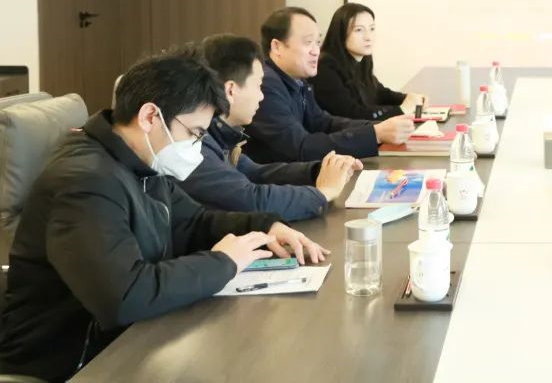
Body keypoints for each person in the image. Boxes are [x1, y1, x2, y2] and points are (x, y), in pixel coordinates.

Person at [0, 52, 328, 382]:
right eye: (194, 133)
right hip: (72, 365)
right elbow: (124, 296)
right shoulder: (85, 181)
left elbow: (193, 222)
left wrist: (265, 226)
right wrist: (223, 262)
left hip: (130, 342)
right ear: (149, 117)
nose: (197, 146)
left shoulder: (141, 162)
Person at [178, 34, 361, 221]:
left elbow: (256, 173)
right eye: (259, 86)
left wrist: (318, 171)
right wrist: (323, 193)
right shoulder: (193, 142)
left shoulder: (220, 135)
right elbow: (250, 200)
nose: (261, 96)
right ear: (231, 90)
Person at [244, 7, 414, 163]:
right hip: (275, 181)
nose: (316, 51)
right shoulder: (266, 85)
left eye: (317, 42)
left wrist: (377, 128)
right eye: (308, 42)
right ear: (277, 47)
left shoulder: (297, 80)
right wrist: (375, 134)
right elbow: (301, 148)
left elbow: (323, 123)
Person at [312, 3, 428, 121]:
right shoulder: (324, 68)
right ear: (340, 33)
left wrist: (409, 98)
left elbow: (380, 93)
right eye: (359, 30)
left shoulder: (360, 61)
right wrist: (402, 109)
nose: (368, 37)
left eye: (372, 29)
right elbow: (352, 114)